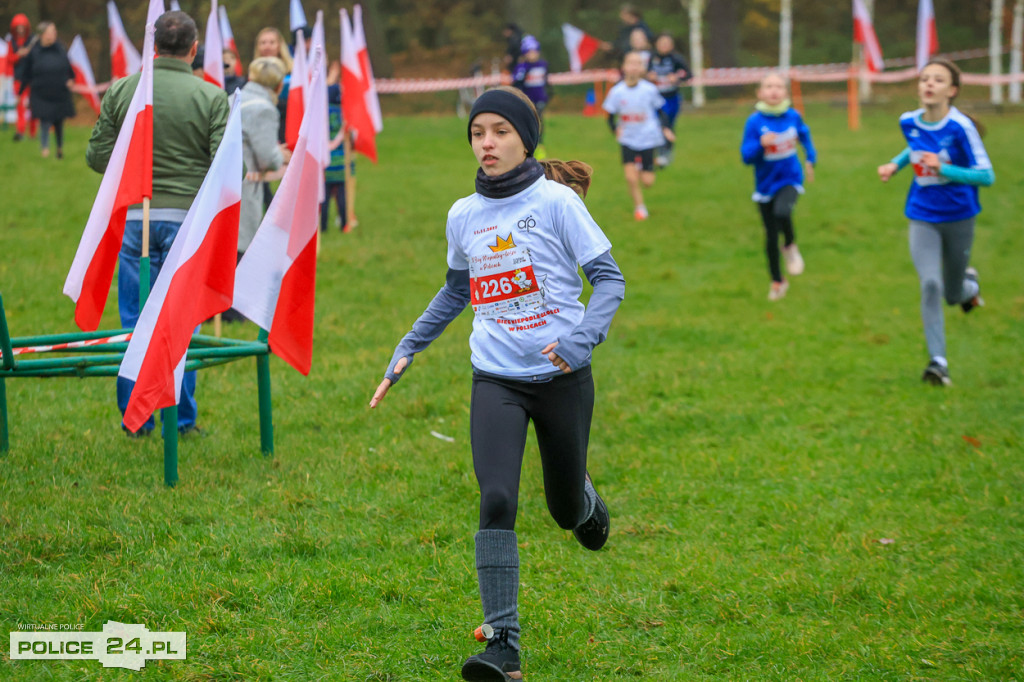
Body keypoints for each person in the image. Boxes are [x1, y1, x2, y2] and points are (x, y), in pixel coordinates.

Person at [369, 86, 624, 682]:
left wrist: (583, 339)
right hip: (496, 379)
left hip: (562, 377)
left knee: (563, 513)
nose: (487, 142)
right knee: (497, 500)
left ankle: (583, 498)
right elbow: (458, 290)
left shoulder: (558, 202)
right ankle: (502, 646)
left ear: (525, 138)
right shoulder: (464, 213)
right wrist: (408, 345)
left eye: (500, 131)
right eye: (478, 132)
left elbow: (607, 279)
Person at [86, 10, 229, 436]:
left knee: (135, 321)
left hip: (135, 221)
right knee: (181, 321)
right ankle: (181, 420)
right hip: (189, 223)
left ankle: (136, 417)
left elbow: (96, 157)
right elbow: (226, 169)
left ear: (152, 47)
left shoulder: (123, 90)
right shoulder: (211, 97)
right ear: (194, 48)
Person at [877, 58, 994, 386]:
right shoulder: (908, 121)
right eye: (925, 78)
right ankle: (938, 363)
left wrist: (945, 170)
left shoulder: (960, 128)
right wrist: (894, 165)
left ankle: (971, 287)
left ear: (952, 90)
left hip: (959, 216)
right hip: (922, 215)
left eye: (938, 80)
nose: (928, 84)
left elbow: (986, 176)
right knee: (930, 284)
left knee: (953, 294)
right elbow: (915, 146)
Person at [740, 72, 816, 301]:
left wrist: (811, 157)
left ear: (785, 92)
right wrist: (760, 146)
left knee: (782, 211)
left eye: (779, 87)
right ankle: (777, 281)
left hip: (790, 178)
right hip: (765, 185)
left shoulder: (793, 116)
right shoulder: (754, 122)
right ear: (760, 93)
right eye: (768, 86)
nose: (774, 91)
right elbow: (746, 157)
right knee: (771, 236)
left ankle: (791, 246)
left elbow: (805, 135)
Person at [603, 51, 674, 221]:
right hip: (628, 138)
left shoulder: (649, 90)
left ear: (642, 68)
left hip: (648, 138)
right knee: (630, 177)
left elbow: (661, 111)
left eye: (638, 63)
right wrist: (615, 130)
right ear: (624, 67)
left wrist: (666, 129)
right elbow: (610, 115)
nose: (634, 67)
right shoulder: (617, 91)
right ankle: (640, 208)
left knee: (648, 182)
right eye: (630, 63)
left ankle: (646, 166)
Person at [17, 21, 73, 159]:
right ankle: (45, 149)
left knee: (59, 121)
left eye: (54, 32)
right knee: (45, 120)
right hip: (40, 93)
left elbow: (68, 67)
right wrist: (20, 92)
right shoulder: (34, 51)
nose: (53, 35)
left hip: (59, 92)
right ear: (42, 35)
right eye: (49, 32)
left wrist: (71, 78)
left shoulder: (60, 48)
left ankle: (59, 148)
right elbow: (26, 73)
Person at [647, 32, 691, 167]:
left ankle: (666, 153)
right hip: (655, 99)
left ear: (671, 45)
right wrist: (649, 76)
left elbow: (689, 74)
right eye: (662, 43)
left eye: (667, 43)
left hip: (672, 97)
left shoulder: (676, 59)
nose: (664, 46)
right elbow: (645, 74)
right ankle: (655, 154)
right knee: (659, 125)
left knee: (669, 126)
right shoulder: (652, 58)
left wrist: (677, 78)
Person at [322, 68, 351, 233]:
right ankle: (344, 224)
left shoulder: (324, 113)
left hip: (326, 162)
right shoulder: (344, 114)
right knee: (341, 195)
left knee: (325, 196)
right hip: (341, 162)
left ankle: (324, 226)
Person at [511, 35, 549, 158]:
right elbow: (516, 84)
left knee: (539, 124)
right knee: (526, 124)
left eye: (535, 51)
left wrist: (547, 95)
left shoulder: (543, 65)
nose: (533, 55)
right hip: (527, 101)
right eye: (530, 52)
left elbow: (545, 82)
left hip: (539, 100)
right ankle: (524, 146)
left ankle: (539, 147)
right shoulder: (522, 67)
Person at [7, 13, 38, 142]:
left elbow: (37, 58)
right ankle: (20, 131)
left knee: (33, 105)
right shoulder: (12, 42)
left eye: (22, 27)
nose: (20, 29)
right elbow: (10, 59)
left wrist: (28, 54)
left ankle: (32, 133)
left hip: (32, 78)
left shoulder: (32, 40)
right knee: (20, 105)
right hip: (19, 79)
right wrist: (18, 55)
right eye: (18, 27)